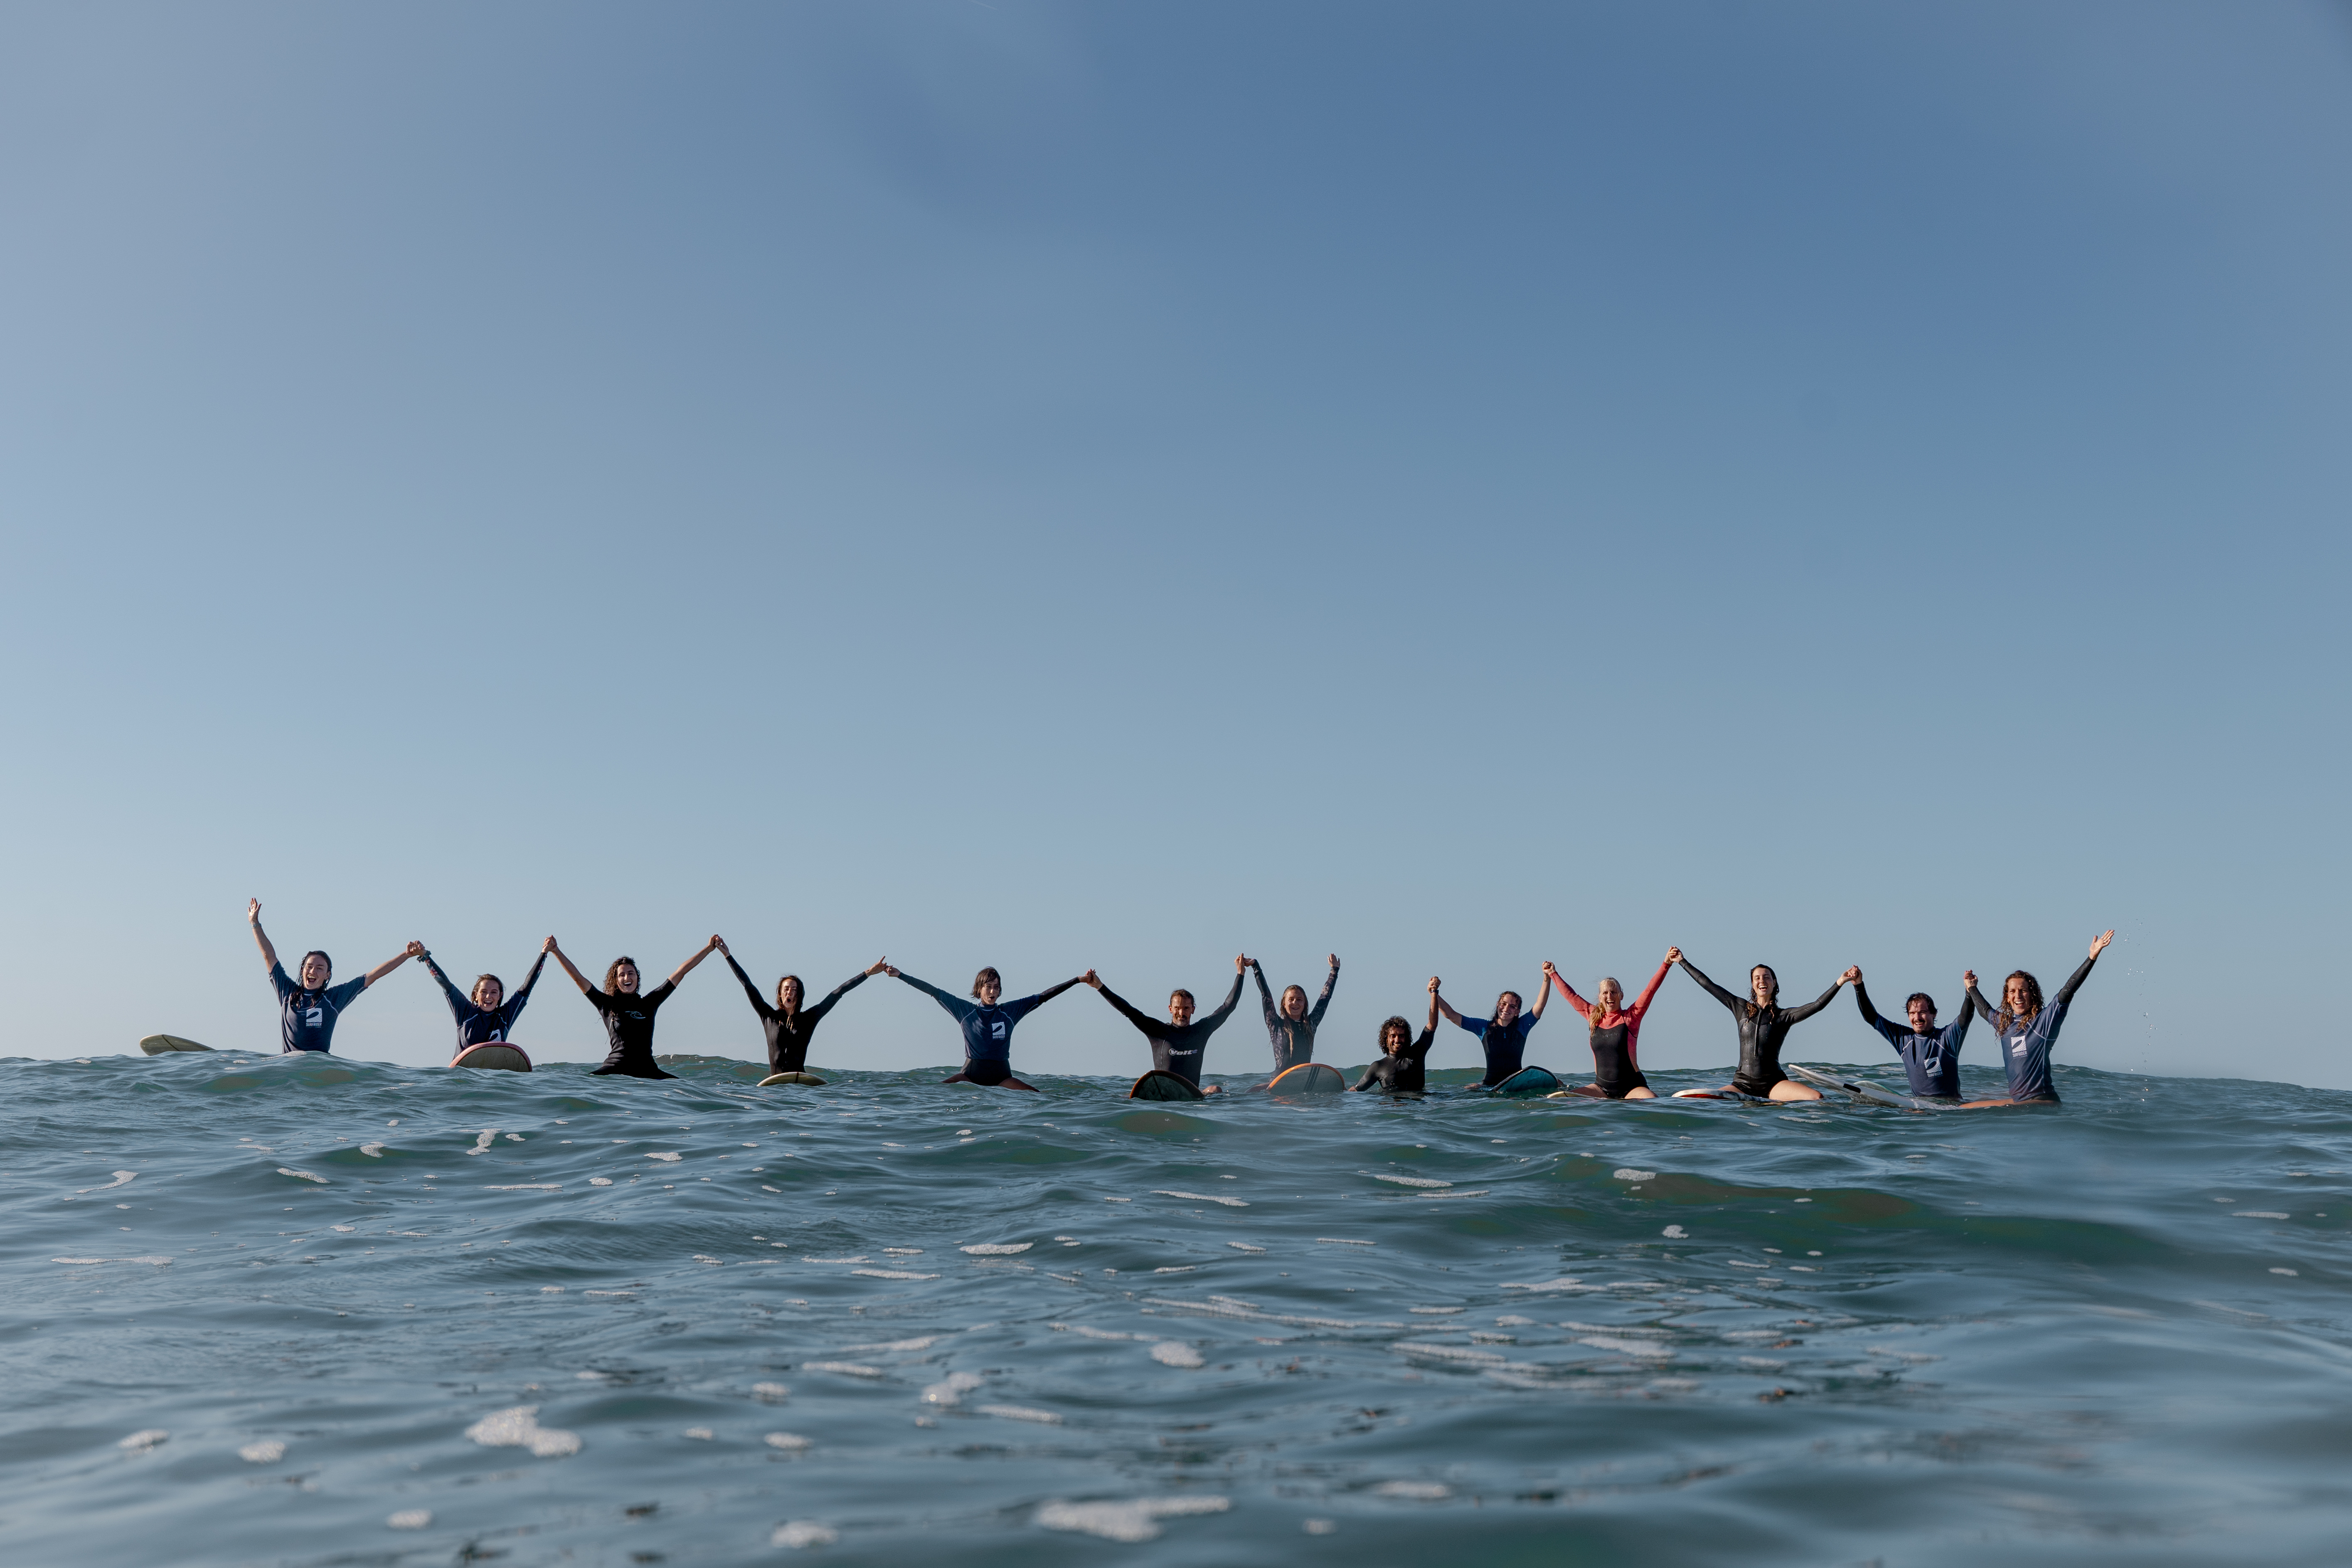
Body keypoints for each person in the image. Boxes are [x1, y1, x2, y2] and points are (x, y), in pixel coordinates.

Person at [1959, 930, 2114, 1106]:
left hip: (2043, 1101)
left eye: (2023, 990)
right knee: (1964, 1107)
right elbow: (1984, 1011)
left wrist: (2091, 958)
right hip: (2023, 1102)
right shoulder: (2005, 1025)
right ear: (2007, 998)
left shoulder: (2044, 1022)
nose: (2018, 996)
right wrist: (1971, 987)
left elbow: (2067, 991)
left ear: (2032, 995)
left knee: (1975, 1110)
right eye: (2013, 991)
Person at [247, 898, 420, 1056]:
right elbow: (269, 957)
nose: (313, 971)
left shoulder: (334, 998)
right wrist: (255, 923)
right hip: (289, 1069)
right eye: (309, 967)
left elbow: (373, 975)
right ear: (303, 970)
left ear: (327, 975)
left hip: (319, 1069)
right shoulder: (287, 993)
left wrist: (406, 955)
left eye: (319, 968)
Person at [1669, 947, 1844, 1100]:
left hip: (1773, 1084)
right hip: (1742, 1084)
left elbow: (1817, 1005)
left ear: (1774, 983)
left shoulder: (1784, 1016)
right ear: (1753, 984)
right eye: (1758, 978)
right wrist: (1682, 961)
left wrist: (1840, 982)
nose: (1762, 981)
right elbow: (1707, 984)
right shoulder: (1740, 1008)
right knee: (1709, 1100)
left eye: (1767, 977)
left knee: (1816, 1098)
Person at [885, 962, 1083, 1090]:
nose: (992, 991)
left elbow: (1043, 997)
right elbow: (934, 992)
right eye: (988, 987)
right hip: (970, 1076)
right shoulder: (966, 1011)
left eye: (996, 987)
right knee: (936, 1091)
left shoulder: (1009, 1012)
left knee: (1037, 1096)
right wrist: (900, 975)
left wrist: (1077, 980)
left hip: (1002, 1078)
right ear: (979, 990)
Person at [549, 935, 722, 1079]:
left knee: (685, 1089)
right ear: (616, 981)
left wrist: (708, 949)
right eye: (622, 975)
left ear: (637, 978)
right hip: (615, 1067)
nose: (627, 978)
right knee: (584, 1083)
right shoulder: (607, 1004)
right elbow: (578, 978)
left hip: (647, 1069)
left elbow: (680, 973)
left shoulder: (650, 1002)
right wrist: (556, 951)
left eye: (631, 973)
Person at [718, 940, 887, 1078]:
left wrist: (869, 972)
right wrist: (728, 956)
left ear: (799, 995)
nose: (789, 992)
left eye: (794, 989)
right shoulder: (769, 1017)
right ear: (780, 994)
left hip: (800, 1085)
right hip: (775, 1084)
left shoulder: (809, 1018)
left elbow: (838, 992)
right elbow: (748, 985)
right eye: (786, 989)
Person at [1084, 955, 1248, 1092]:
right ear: (1170, 1009)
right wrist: (1099, 986)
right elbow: (1129, 1011)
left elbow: (1228, 1007)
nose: (1181, 1013)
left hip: (1191, 1097)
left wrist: (1240, 973)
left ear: (1193, 1010)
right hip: (1163, 1096)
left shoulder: (1202, 1030)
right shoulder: (1158, 1031)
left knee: (1215, 1090)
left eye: (1186, 1008)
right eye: (1177, 1008)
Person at [1839, 964, 1972, 1099]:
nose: (1917, 1018)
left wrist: (1969, 992)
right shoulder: (1904, 1039)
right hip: (1920, 1106)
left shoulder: (1947, 1037)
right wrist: (1859, 985)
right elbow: (1871, 1018)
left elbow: (1965, 1018)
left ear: (1934, 1014)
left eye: (1922, 1012)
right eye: (1912, 1013)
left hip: (1950, 1106)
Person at [1548, 955, 1672, 1099]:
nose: (1610, 996)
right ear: (1600, 997)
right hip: (1601, 1088)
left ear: (1621, 996)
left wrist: (1666, 964)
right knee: (1564, 1100)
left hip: (1632, 1088)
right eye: (1605, 993)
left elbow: (1649, 991)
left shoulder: (1631, 1018)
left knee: (1653, 1101)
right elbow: (1571, 996)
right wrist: (1553, 973)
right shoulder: (1593, 1017)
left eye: (1614, 992)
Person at [421, 937, 552, 1063]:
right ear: (476, 995)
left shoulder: (505, 1016)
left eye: (494, 992)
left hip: (492, 1077)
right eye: (484, 992)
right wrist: (426, 957)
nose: (488, 997)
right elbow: (446, 985)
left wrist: (544, 953)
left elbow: (527, 987)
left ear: (500, 996)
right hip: (462, 1075)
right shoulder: (466, 1012)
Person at [1431, 964, 1554, 1087]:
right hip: (1490, 1085)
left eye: (1512, 1007)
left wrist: (1547, 977)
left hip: (1515, 1084)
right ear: (1498, 1005)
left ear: (1517, 1012)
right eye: (1503, 1004)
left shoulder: (1522, 1026)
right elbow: (1451, 1015)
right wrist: (1434, 993)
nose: (1506, 1009)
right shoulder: (1483, 1027)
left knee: (1558, 1083)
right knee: (1469, 1088)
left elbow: (1540, 1005)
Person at [1252, 954, 1340, 1073]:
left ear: (1305, 1004)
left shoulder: (1311, 1024)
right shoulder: (1276, 1025)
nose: (1295, 1003)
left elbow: (1325, 998)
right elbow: (1266, 996)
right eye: (1291, 999)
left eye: (1299, 1000)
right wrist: (1256, 967)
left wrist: (1334, 971)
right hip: (1280, 1079)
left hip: (1304, 1078)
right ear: (1284, 1004)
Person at [1352, 978, 1442, 1093]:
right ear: (1386, 1039)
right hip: (1391, 1103)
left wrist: (1434, 992)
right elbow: (1356, 1091)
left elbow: (1432, 1025)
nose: (1397, 1040)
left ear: (1406, 1038)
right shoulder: (1378, 1066)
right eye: (1393, 1036)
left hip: (1417, 1102)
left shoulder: (1417, 1053)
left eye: (1401, 1036)